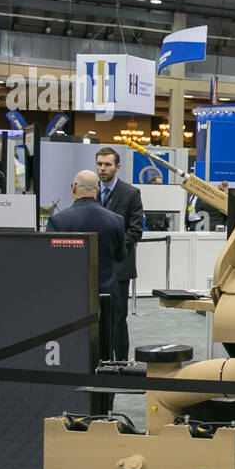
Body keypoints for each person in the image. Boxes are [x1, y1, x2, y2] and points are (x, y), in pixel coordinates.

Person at [94, 147, 145, 360]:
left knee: (118, 319)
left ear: (117, 167)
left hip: (119, 268)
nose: (103, 169)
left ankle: (121, 364)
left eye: (107, 164)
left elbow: (135, 230)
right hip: (93, 266)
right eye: (99, 164)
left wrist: (111, 247)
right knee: (94, 319)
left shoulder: (130, 193)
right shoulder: (91, 191)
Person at [47, 170, 126, 300]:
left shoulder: (58, 221)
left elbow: (50, 260)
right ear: (98, 190)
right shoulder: (117, 220)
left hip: (69, 295)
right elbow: (120, 256)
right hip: (107, 296)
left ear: (74, 188)